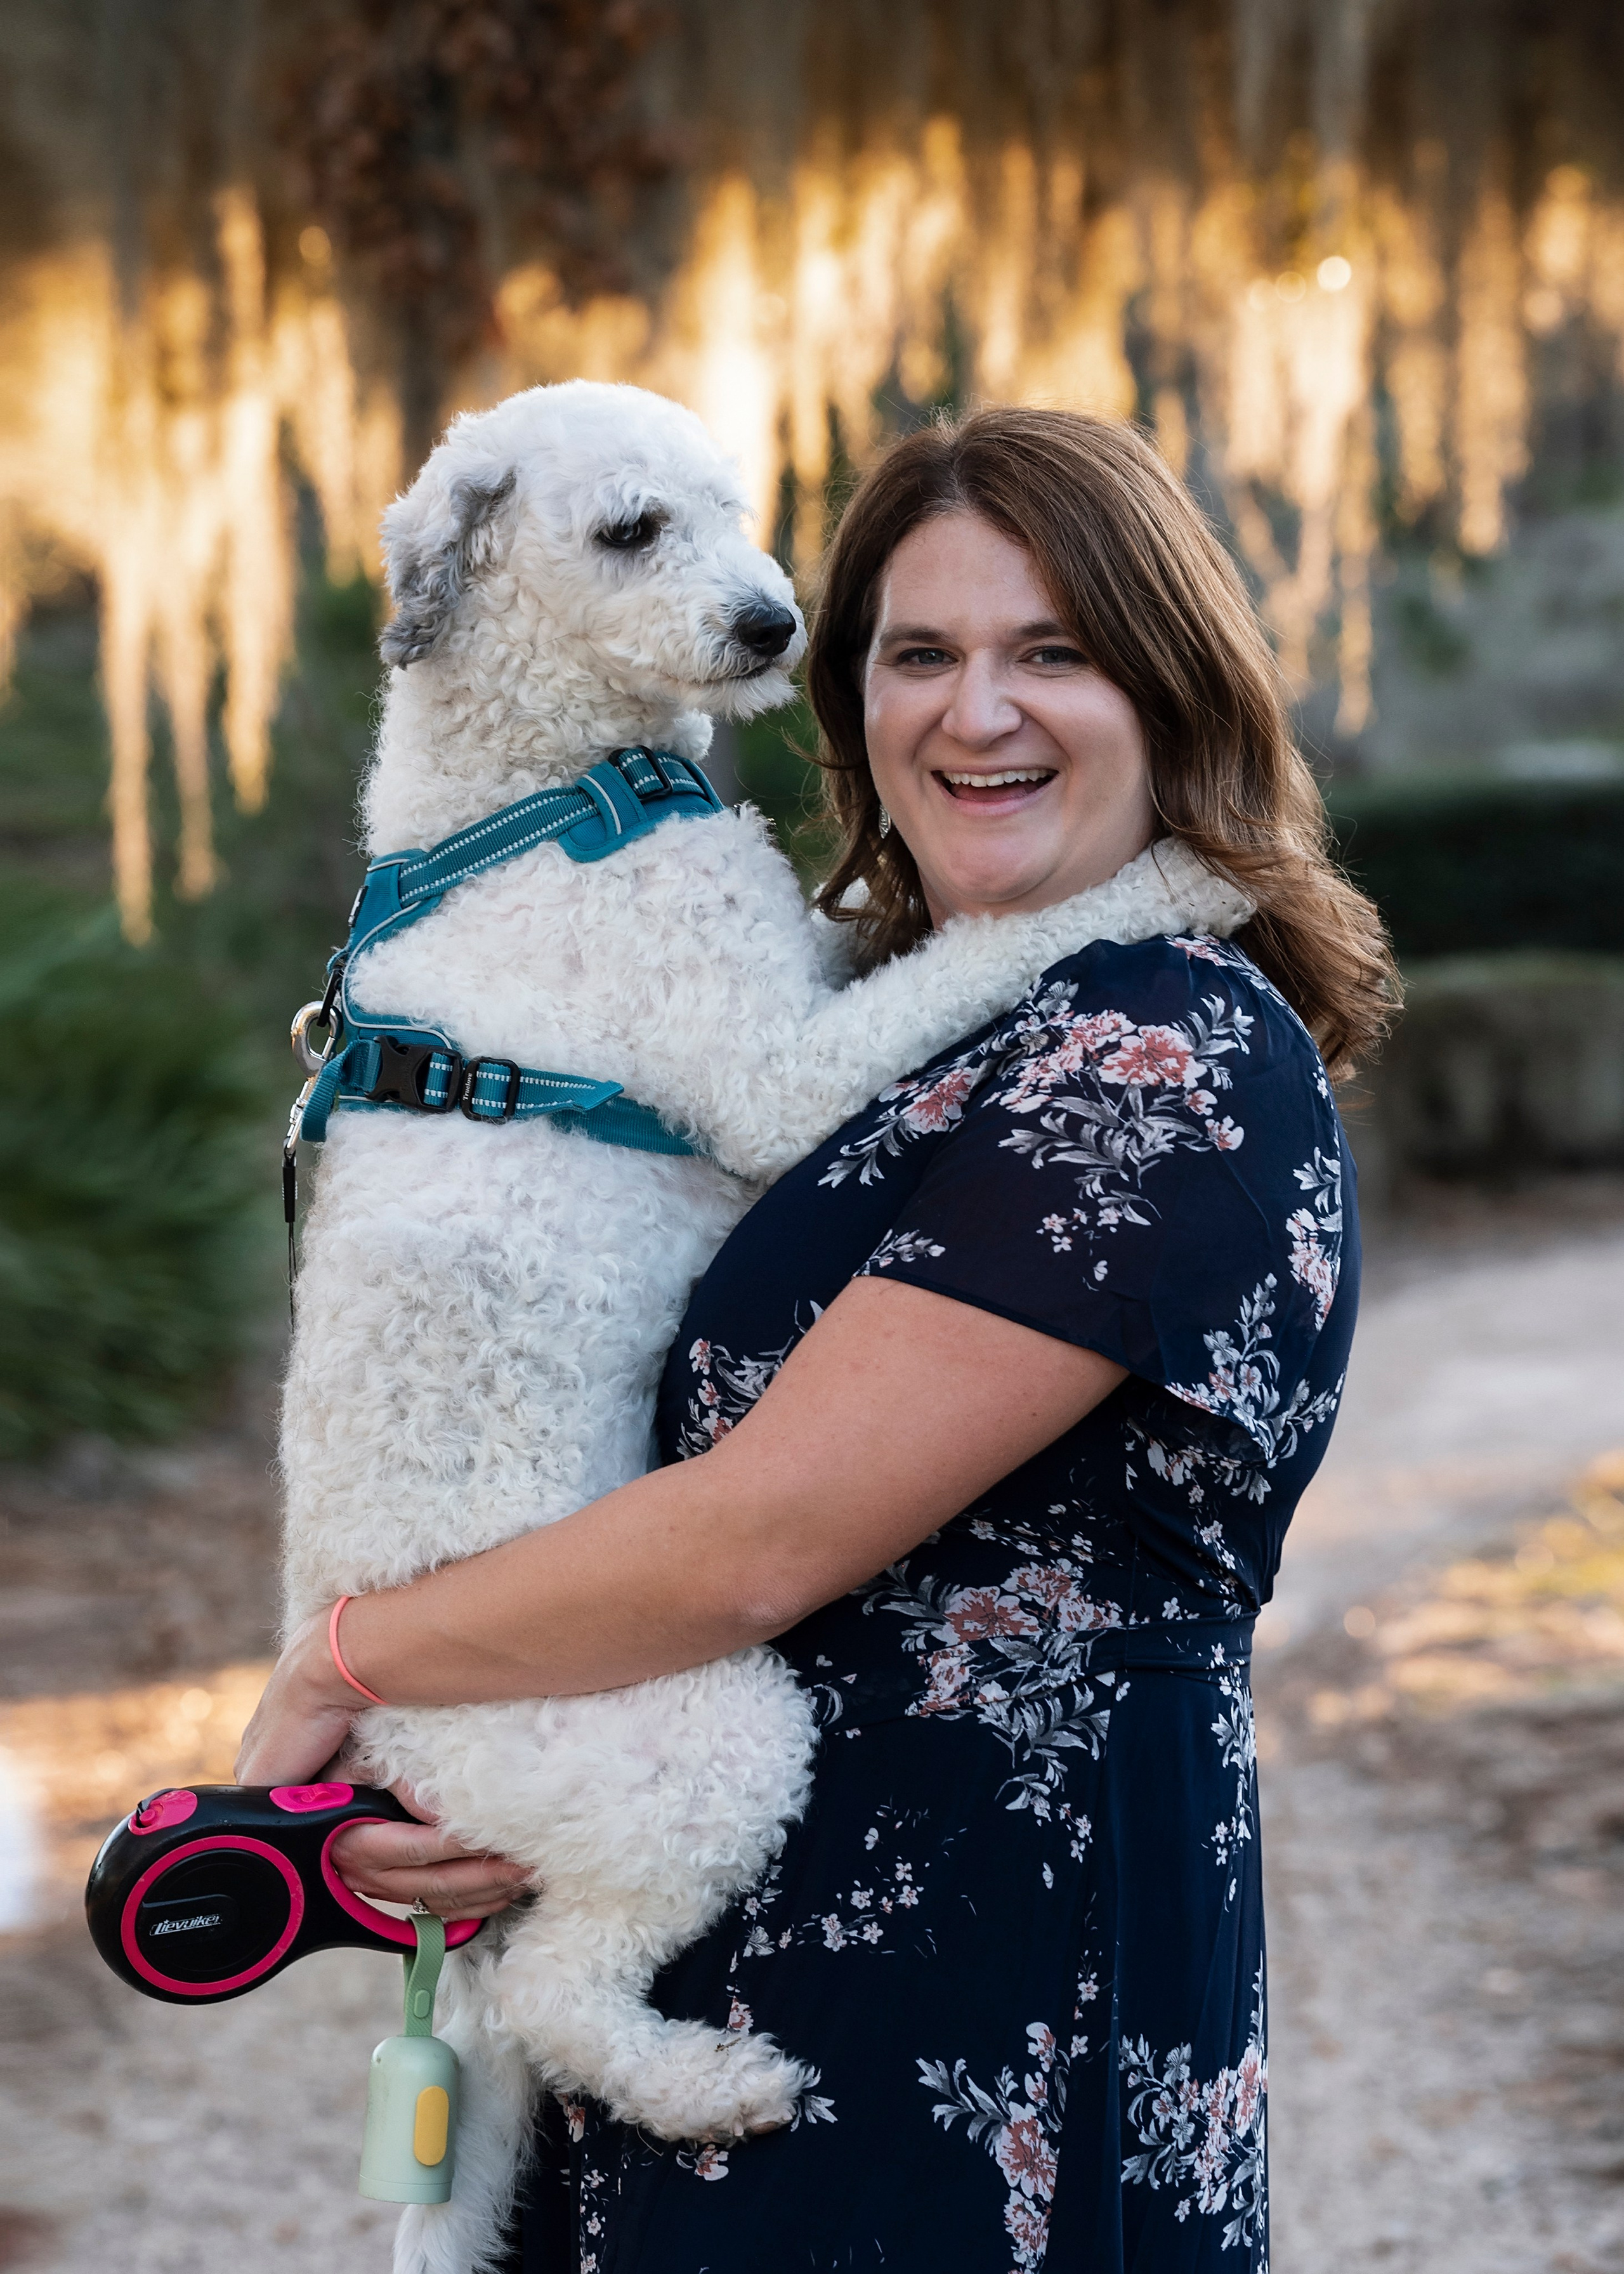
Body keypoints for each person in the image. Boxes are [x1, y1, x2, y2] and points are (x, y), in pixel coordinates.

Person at [238, 407, 1394, 2270]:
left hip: (972, 2005)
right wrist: (464, 1772)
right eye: (918, 655)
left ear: (1171, 689)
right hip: (727, 1979)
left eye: (1055, 653)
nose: (976, 712)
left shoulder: (1155, 1052)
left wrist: (347, 1664)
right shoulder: (907, 1034)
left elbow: (755, 1538)